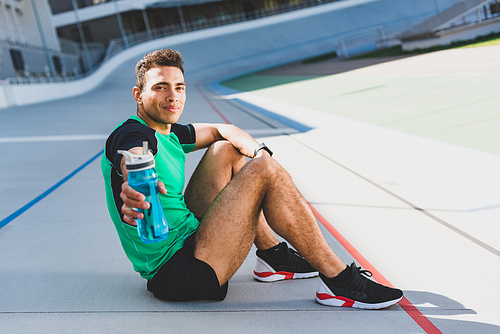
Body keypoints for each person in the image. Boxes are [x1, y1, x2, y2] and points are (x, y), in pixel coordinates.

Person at [101, 48, 403, 308]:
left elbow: (224, 130)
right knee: (264, 170)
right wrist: (136, 182)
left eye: (179, 87)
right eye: (160, 87)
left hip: (191, 237)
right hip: (179, 273)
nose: (173, 96)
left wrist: (259, 152)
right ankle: (340, 280)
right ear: (138, 95)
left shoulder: (170, 132)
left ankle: (274, 256)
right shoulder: (131, 134)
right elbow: (132, 155)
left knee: (225, 150)